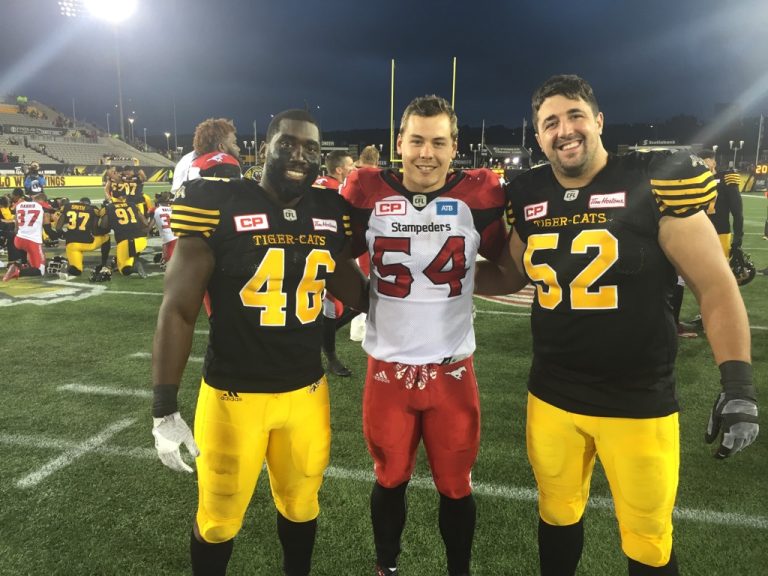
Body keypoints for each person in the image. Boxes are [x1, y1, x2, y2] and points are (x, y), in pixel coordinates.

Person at [475, 74, 759, 575]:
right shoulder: (528, 192)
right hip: (552, 396)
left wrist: (737, 384)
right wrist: (444, 270)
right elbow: (507, 274)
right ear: (538, 136)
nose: (564, 130)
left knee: (648, 543)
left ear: (598, 120)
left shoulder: (653, 179)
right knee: (556, 518)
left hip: (638, 401)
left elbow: (714, 286)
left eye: (575, 115)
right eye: (550, 123)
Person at [150, 109, 368, 576]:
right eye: (288, 143)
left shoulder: (330, 210)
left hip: (307, 393)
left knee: (302, 505)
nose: (300, 154)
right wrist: (164, 407)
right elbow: (179, 308)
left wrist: (413, 306)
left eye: (311, 148)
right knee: (218, 520)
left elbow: (352, 285)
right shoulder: (216, 200)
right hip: (234, 395)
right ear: (263, 147)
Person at [341, 94, 507, 576]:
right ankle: (386, 567)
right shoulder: (365, 190)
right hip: (387, 369)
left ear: (455, 146)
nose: (426, 153)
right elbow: (335, 253)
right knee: (389, 478)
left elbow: (508, 266)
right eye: (416, 140)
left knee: (456, 485)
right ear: (400, 142)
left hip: (453, 370)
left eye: (438, 142)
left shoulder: (480, 195)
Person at [679, 148, 745, 332]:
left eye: (706, 160)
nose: (702, 164)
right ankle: (705, 316)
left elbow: (737, 211)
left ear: (714, 161)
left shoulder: (726, 178)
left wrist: (738, 239)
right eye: (700, 160)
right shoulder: (695, 180)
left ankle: (721, 319)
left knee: (717, 280)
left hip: (719, 235)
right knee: (698, 279)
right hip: (698, 234)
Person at [314, 149, 358, 376]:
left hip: (307, 252)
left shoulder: (314, 182)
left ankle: (320, 338)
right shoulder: (337, 189)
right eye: (350, 166)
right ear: (339, 169)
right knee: (336, 306)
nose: (353, 169)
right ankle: (330, 357)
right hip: (327, 254)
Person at [349, 145, 381, 343]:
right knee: (369, 282)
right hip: (370, 235)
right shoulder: (375, 177)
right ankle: (360, 328)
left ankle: (356, 328)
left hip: (348, 234)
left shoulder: (351, 174)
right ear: (376, 160)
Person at [170, 118, 240, 194]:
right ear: (221, 147)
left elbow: (176, 194)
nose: (238, 149)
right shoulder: (225, 165)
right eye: (234, 143)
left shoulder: (185, 161)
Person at [3, 192, 55, 281]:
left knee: (31, 258)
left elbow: (16, 227)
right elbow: (47, 228)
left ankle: (22, 264)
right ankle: (17, 271)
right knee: (40, 270)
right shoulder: (43, 207)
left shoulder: (19, 205)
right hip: (32, 242)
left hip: (18, 239)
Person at [54, 197, 111, 278]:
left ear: (80, 202)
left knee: (77, 270)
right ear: (89, 203)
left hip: (72, 244)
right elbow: (95, 231)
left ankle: (66, 267)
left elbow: (58, 228)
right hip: (87, 243)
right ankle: (104, 264)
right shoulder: (93, 209)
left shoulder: (67, 207)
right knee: (106, 237)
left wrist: (66, 235)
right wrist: (105, 231)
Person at [99, 186, 149, 277]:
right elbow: (145, 223)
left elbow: (103, 227)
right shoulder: (133, 205)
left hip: (125, 242)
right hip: (142, 240)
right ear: (124, 197)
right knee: (128, 255)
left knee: (124, 270)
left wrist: (110, 221)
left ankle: (134, 266)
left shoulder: (109, 208)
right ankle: (134, 258)